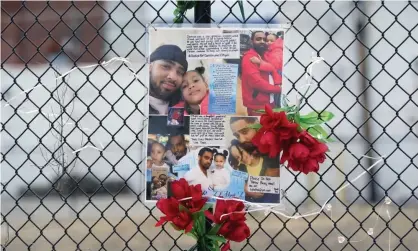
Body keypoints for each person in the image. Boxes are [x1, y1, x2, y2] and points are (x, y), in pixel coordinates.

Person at [240, 31, 282, 115]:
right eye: (258, 39)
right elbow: (256, 83)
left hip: (269, 102)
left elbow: (273, 69)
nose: (262, 41)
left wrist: (277, 84)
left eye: (264, 39)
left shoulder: (263, 55)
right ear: (252, 41)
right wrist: (278, 89)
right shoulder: (250, 57)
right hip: (258, 106)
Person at [149, 44, 188, 115]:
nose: (173, 77)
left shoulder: (187, 104)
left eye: (179, 72)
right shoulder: (133, 101)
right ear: (150, 67)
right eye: (166, 66)